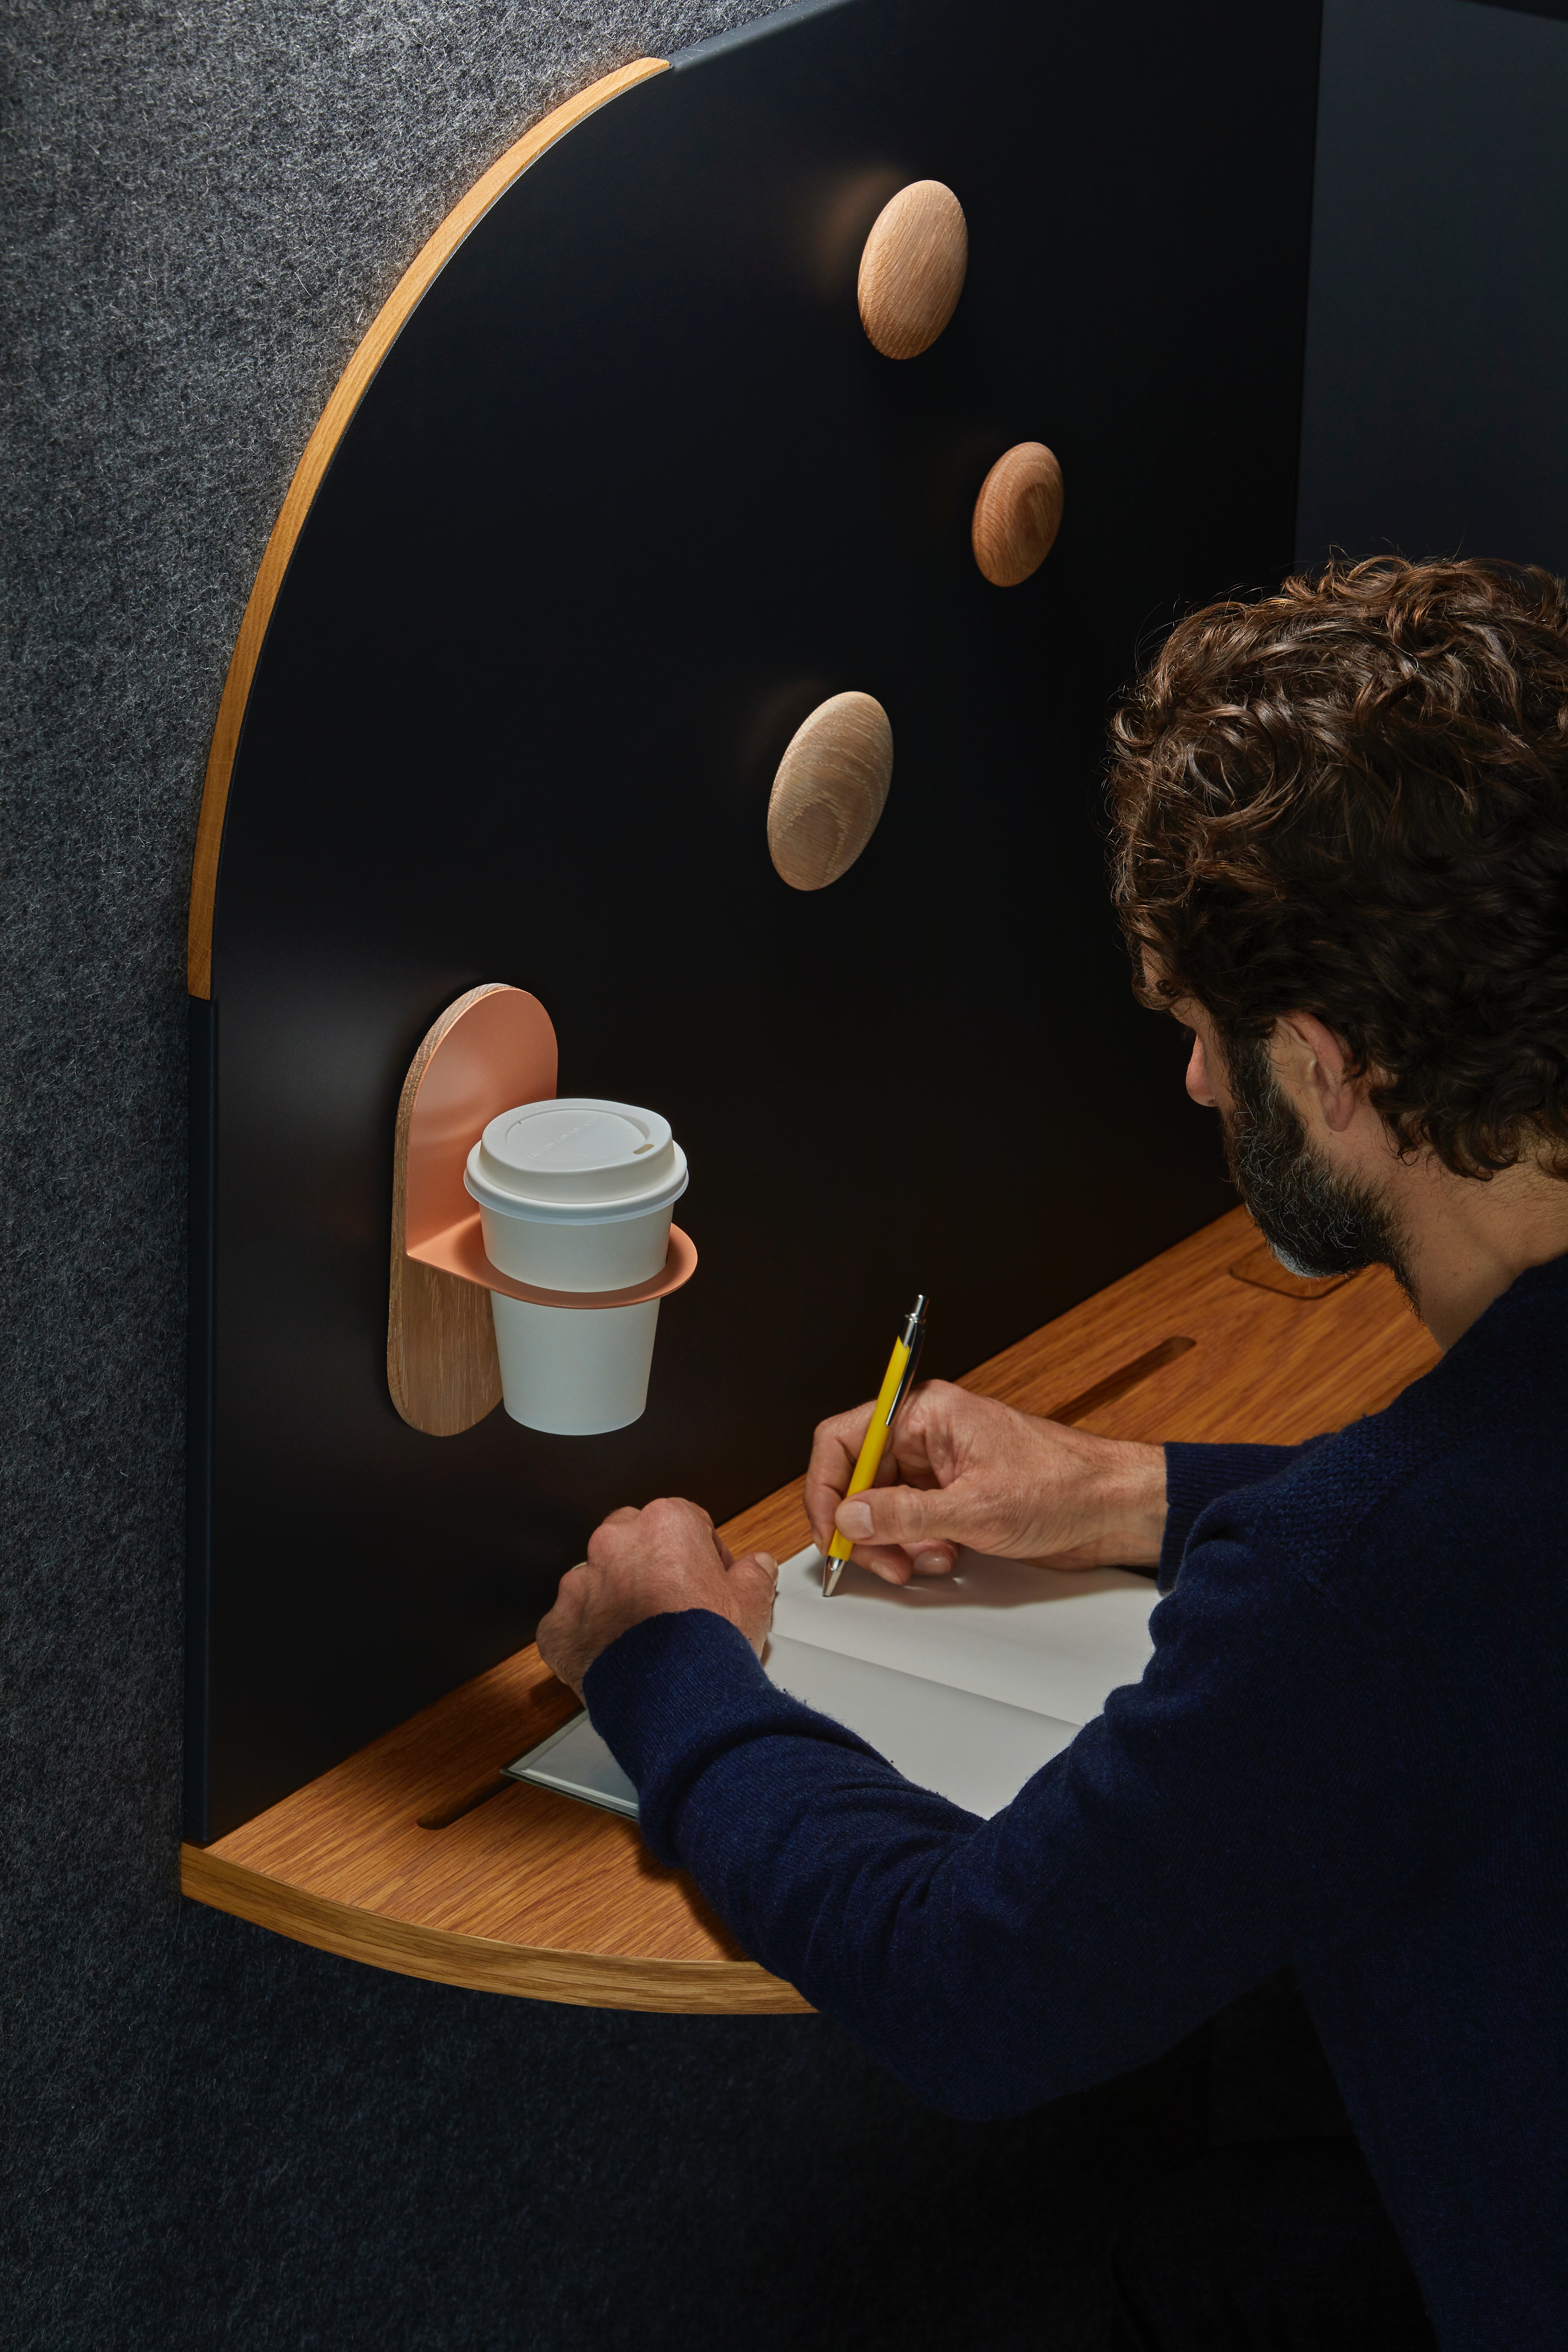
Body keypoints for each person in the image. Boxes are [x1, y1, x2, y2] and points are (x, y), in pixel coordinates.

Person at [537, 557, 1568, 2350]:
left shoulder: (1378, 1581)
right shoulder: (1438, 1534)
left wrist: (671, 1667)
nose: (1191, 1090)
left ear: (1324, 1070)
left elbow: (974, 1986)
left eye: (1200, 1037)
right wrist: (1128, 1491)